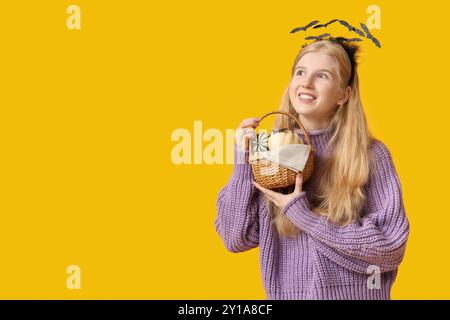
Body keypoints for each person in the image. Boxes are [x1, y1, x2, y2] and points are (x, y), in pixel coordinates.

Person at [214, 38, 410, 300]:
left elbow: (390, 249)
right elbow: (235, 239)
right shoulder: (269, 153)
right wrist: (242, 159)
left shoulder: (370, 155)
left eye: (322, 76)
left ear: (343, 94)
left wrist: (303, 214)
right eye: (301, 72)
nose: (306, 82)